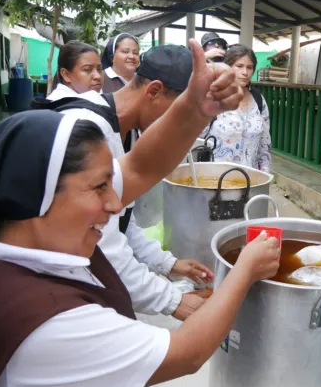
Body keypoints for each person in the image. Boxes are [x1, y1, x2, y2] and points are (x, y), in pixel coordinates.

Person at [0, 45, 285, 387]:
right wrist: (245, 270)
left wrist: (195, 107)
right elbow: (187, 354)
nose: (116, 203)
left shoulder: (2, 248)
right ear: (39, 194)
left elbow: (139, 168)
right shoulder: (51, 325)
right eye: (101, 187)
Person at [33, 44, 214, 321]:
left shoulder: (118, 130)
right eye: (178, 113)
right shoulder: (88, 129)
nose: (175, 126)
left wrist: (167, 264)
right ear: (153, 90)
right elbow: (101, 247)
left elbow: (117, 219)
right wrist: (171, 300)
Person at [200, 44, 272, 172]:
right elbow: (196, 140)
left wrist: (264, 175)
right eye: (239, 66)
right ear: (227, 67)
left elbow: (265, 146)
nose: (245, 72)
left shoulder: (258, 100)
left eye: (249, 67)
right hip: (214, 180)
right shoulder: (213, 97)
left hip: (250, 180)